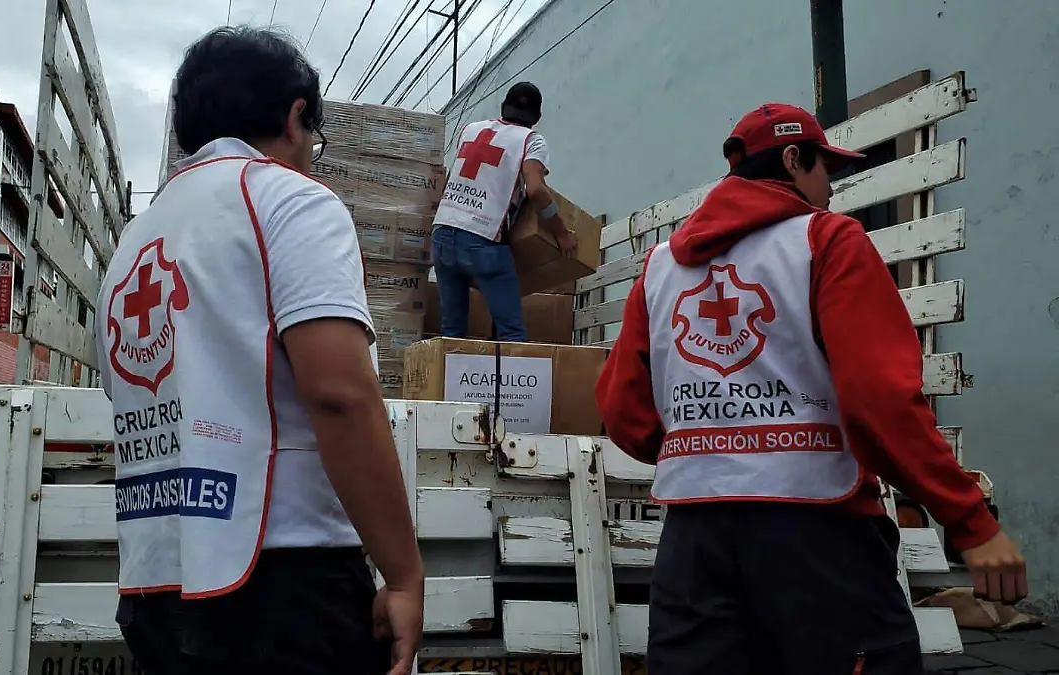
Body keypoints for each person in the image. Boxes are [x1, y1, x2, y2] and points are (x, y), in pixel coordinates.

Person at [595, 103, 1028, 674]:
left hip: (693, 544)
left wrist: (712, 445)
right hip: (820, 538)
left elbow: (622, 410)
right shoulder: (828, 241)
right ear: (794, 159)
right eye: (826, 170)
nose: (830, 190)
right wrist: (971, 521)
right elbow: (880, 401)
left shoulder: (658, 268)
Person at [94, 26, 424, 675]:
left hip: (156, 586)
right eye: (313, 139)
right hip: (282, 590)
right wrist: (405, 576)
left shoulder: (135, 242)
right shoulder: (289, 202)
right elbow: (339, 392)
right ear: (297, 116)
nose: (309, 156)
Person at [431, 82, 577, 342]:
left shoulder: (471, 130)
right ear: (537, 117)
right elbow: (537, 191)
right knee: (511, 334)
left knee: (452, 335)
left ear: (503, 107)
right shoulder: (531, 140)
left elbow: (450, 181)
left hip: (442, 232)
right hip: (481, 238)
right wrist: (562, 234)